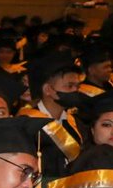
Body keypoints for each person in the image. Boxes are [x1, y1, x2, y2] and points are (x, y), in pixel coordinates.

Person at [18, 51, 85, 180]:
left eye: (77, 86)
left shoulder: (77, 123)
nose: (75, 91)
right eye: (69, 86)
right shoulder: (27, 125)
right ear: (48, 90)